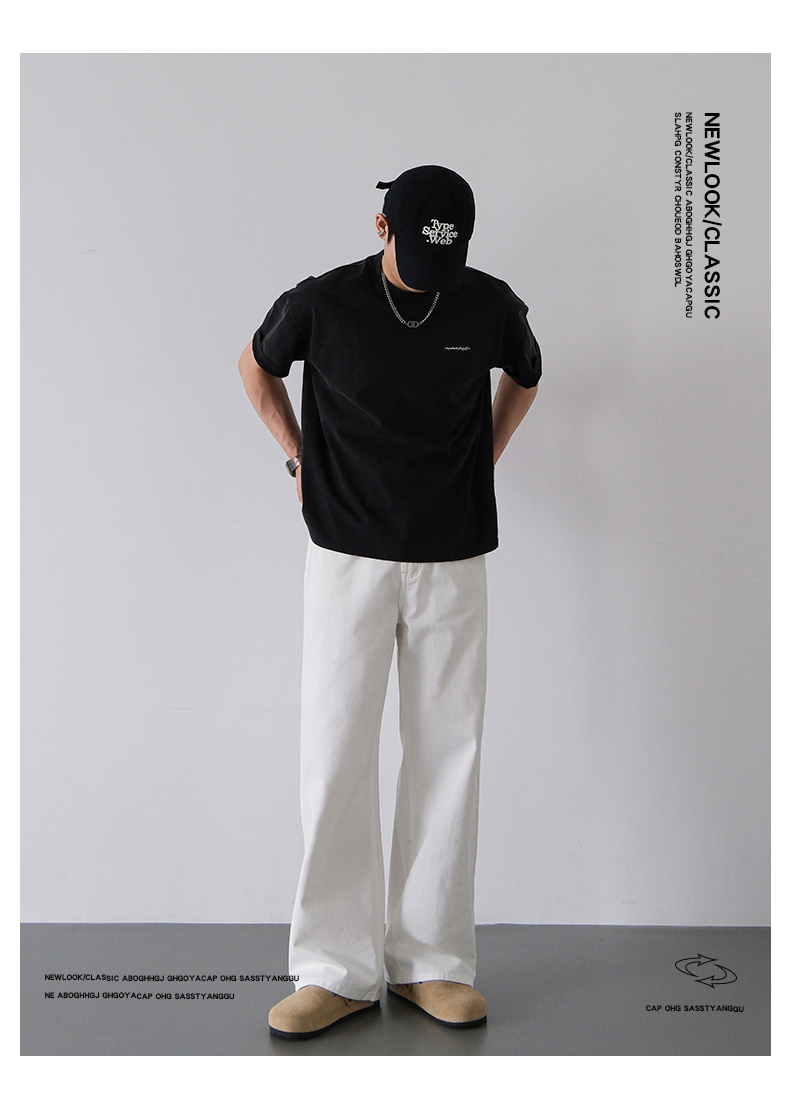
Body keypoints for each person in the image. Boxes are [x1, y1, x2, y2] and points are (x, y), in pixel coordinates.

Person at [238, 166, 541, 1040]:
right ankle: (332, 969)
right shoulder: (322, 303)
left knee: (448, 753)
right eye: (418, 253)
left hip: (453, 557)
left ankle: (431, 962)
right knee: (336, 753)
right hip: (345, 555)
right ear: (382, 227)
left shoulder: (487, 303)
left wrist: (484, 454)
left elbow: (526, 374)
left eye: (449, 257)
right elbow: (256, 367)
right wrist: (298, 456)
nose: (434, 273)